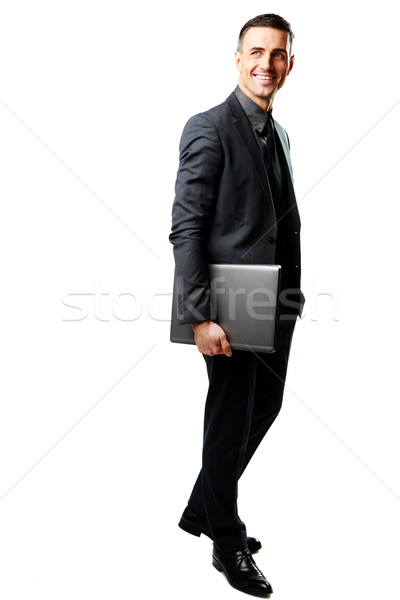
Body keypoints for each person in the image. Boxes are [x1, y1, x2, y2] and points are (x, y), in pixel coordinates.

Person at [169, 13, 305, 597]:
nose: (266, 64)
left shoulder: (279, 134)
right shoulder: (209, 127)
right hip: (228, 304)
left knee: (265, 406)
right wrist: (200, 315)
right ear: (236, 57)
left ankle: (205, 505)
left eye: (277, 55)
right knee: (228, 422)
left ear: (290, 63)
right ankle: (226, 540)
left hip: (275, 300)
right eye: (256, 52)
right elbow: (187, 228)